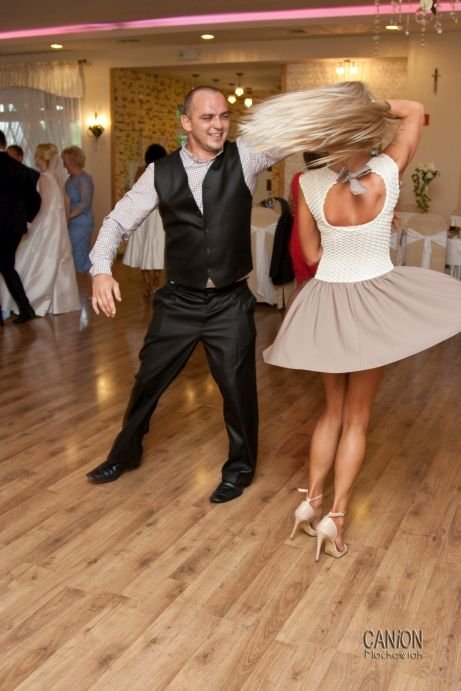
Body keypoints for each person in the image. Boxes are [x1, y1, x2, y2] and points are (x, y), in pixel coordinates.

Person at [240, 81, 461, 558]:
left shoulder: (309, 184)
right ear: (364, 127)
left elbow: (311, 255)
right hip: (371, 302)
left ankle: (310, 503)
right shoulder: (387, 170)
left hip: (328, 302)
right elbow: (414, 109)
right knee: (358, 419)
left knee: (332, 413)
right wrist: (363, 107)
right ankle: (335, 519)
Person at [86, 86, 283, 503]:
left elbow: (296, 133)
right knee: (147, 381)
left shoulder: (246, 156)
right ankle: (125, 453)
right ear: (186, 122)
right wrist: (101, 269)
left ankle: (240, 470)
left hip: (230, 300)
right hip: (179, 300)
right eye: (208, 117)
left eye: (224, 116)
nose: (218, 125)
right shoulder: (160, 172)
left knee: (238, 389)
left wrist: (344, 110)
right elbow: (117, 221)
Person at [0, 143, 81, 317]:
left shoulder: (43, 178)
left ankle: (32, 300)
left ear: (41, 158)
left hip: (45, 222)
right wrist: (65, 220)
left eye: (36, 155)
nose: (34, 158)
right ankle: (59, 301)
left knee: (31, 257)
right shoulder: (55, 176)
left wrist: (32, 223)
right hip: (56, 223)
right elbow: (66, 200)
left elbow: (41, 206)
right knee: (56, 258)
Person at [0, 130, 41, 324]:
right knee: (7, 266)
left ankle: (24, 308)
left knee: (6, 266)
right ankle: (25, 308)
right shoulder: (22, 170)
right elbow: (35, 199)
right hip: (15, 227)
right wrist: (26, 218)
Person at [123, 144, 167, 296]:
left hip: (142, 215)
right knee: (158, 250)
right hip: (157, 215)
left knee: (143, 250)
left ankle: (148, 287)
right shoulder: (164, 171)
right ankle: (156, 284)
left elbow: (135, 193)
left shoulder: (140, 171)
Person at [61, 145, 95, 273]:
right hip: (73, 222)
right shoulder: (70, 179)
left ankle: (97, 280)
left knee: (79, 256)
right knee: (78, 254)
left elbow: (85, 204)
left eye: (65, 161)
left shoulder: (84, 179)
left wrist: (67, 217)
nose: (63, 165)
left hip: (82, 223)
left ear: (72, 162)